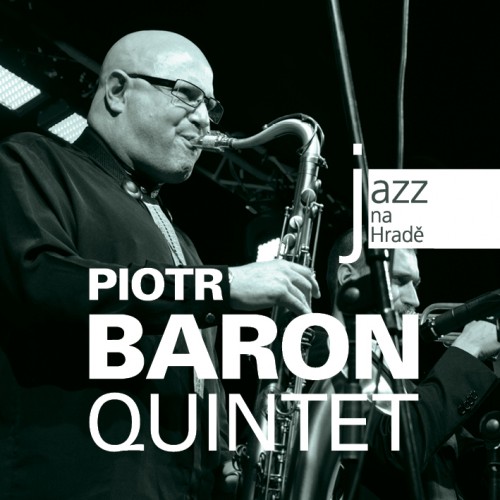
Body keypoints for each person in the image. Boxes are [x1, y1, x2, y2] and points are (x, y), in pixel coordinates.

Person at [0, 30, 320, 500]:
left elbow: (192, 367)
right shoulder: (32, 160)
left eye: (211, 106)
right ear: (117, 91)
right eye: (188, 95)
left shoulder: (181, 241)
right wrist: (220, 285)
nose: (204, 118)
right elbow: (44, 282)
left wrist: (222, 457)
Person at [302, 228, 500, 499]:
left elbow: (459, 460)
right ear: (348, 279)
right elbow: (396, 449)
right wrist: (469, 350)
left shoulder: (400, 380)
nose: (415, 299)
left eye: (415, 284)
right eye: (398, 280)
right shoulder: (316, 352)